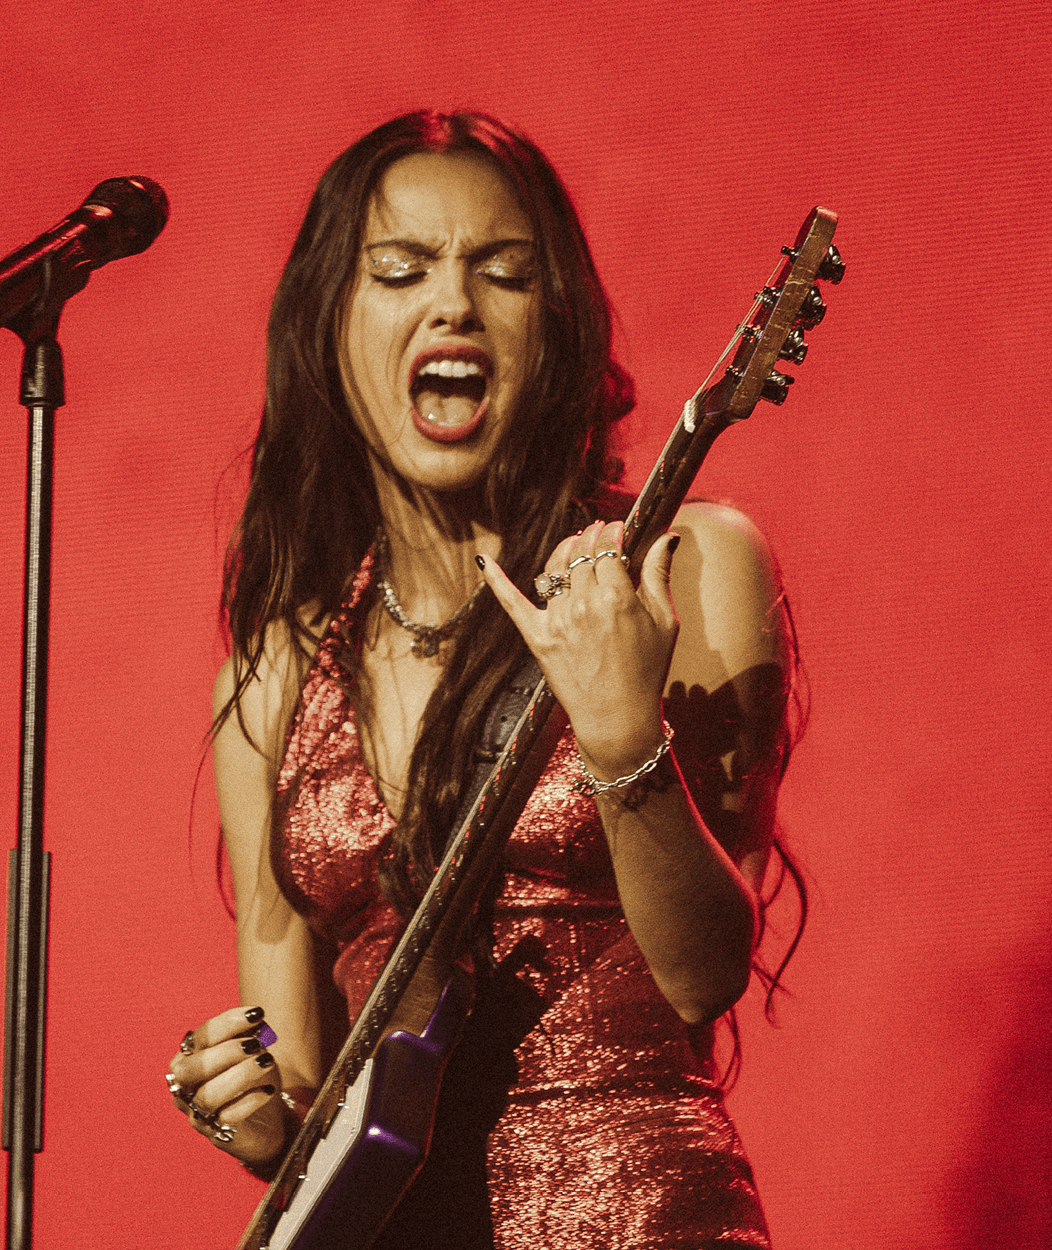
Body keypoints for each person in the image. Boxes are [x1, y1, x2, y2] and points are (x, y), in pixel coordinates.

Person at [165, 110, 800, 1249]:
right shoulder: (271, 675)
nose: (449, 304)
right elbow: (302, 1065)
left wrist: (620, 742)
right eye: (399, 270)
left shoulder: (678, 566)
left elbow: (705, 972)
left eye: (500, 274)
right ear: (331, 326)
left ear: (552, 330)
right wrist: (251, 1104)